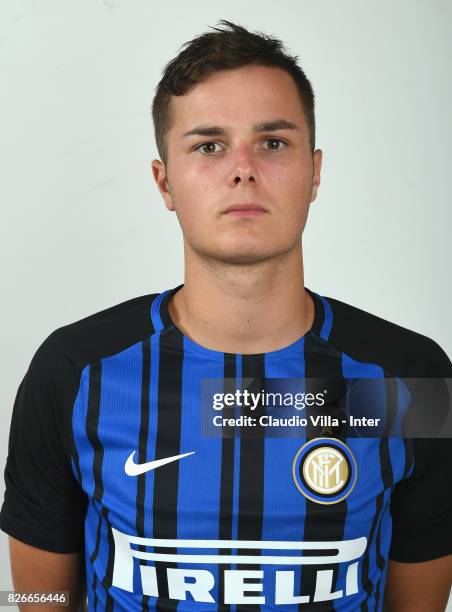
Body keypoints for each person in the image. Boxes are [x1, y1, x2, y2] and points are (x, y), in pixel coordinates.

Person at [1, 19, 451, 612]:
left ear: (315, 172)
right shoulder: (75, 371)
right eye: (208, 145)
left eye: (273, 142)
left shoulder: (408, 378)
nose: (243, 169)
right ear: (165, 181)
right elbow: (36, 600)